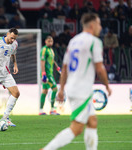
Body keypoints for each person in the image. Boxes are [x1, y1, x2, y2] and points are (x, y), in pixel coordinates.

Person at [41, 13, 112, 150]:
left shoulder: (74, 41)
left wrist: (61, 89)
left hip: (74, 88)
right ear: (92, 25)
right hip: (82, 90)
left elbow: (65, 67)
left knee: (92, 121)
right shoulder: (94, 41)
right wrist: (107, 86)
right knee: (77, 128)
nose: (100, 27)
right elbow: (100, 68)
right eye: (99, 24)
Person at [39, 36, 61, 115]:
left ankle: (41, 110)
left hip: (50, 73)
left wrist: (57, 67)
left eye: (51, 41)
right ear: (45, 41)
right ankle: (52, 109)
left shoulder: (51, 50)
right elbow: (42, 62)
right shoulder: (44, 50)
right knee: (55, 88)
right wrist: (43, 74)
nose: (50, 42)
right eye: (48, 41)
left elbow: (53, 60)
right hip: (47, 74)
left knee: (45, 91)